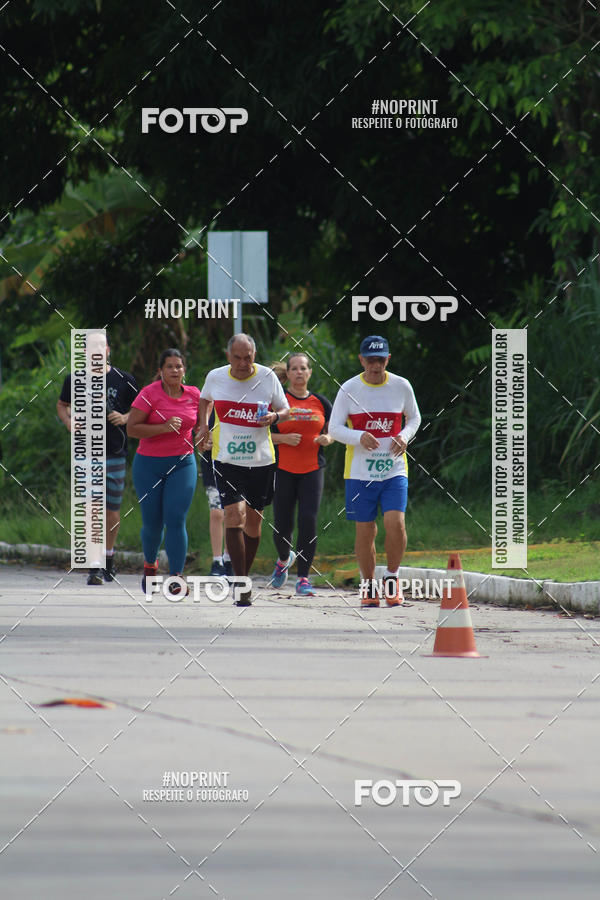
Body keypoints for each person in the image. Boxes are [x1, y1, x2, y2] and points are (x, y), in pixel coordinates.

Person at [328, 335, 421, 607]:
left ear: (388, 360)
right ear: (361, 360)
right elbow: (334, 429)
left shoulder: (401, 386)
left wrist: (404, 436)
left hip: (393, 468)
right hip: (359, 473)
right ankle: (368, 585)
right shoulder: (348, 388)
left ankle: (392, 579)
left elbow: (414, 417)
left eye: (380, 360)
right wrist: (358, 436)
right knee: (365, 530)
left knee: (396, 523)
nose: (375, 365)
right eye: (370, 360)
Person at [197, 333, 290, 606]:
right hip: (226, 458)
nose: (242, 363)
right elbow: (205, 399)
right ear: (229, 357)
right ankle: (240, 582)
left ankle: (244, 575)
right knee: (233, 515)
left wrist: (274, 417)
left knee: (253, 521)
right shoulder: (216, 377)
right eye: (236, 357)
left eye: (247, 357)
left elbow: (285, 409)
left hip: (261, 460)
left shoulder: (267, 377)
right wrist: (203, 425)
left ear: (254, 355)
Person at [57, 332, 138, 585]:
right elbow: (62, 405)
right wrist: (69, 422)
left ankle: (109, 556)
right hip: (86, 452)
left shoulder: (125, 380)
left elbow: (142, 409)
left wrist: (125, 418)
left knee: (112, 512)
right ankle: (94, 565)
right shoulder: (75, 379)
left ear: (108, 350)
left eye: (99, 348)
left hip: (115, 452)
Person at [127, 349, 201, 594]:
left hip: (182, 463)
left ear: (184, 369)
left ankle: (177, 577)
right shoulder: (149, 394)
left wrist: (204, 437)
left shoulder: (194, 394)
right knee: (153, 523)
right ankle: (150, 565)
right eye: (169, 366)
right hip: (149, 465)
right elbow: (132, 429)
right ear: (160, 370)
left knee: (176, 518)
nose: (175, 370)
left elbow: (202, 425)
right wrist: (163, 428)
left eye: (179, 366)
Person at [270, 352, 333, 596]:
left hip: (312, 469)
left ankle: (303, 578)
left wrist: (328, 438)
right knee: (282, 525)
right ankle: (284, 560)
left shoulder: (321, 402)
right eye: (293, 368)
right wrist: (283, 438)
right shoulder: (278, 402)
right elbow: (261, 434)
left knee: (308, 520)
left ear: (309, 372)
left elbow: (334, 429)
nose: (298, 372)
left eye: (303, 368)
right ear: (288, 373)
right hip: (283, 469)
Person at [200, 409, 233, 577]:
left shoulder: (236, 401)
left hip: (234, 463)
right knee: (217, 513)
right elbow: (197, 438)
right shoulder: (205, 407)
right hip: (211, 465)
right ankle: (216, 560)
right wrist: (204, 442)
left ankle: (229, 559)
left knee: (232, 513)